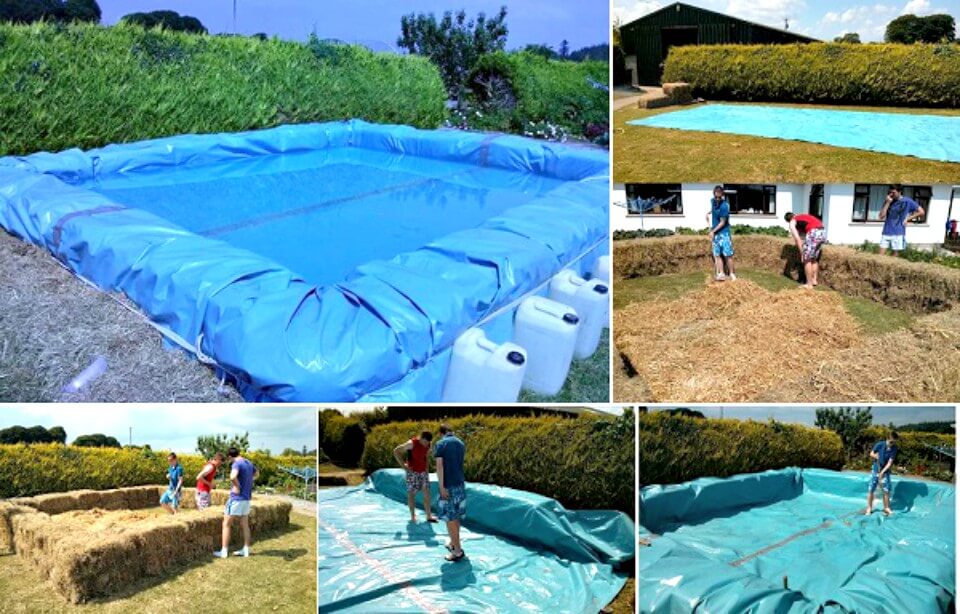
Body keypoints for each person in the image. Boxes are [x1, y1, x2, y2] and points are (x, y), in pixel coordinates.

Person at [213, 447, 259, 558]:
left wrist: (238, 486)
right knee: (245, 524)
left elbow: (232, 476)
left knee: (226, 524)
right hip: (246, 498)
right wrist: (249, 480)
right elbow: (257, 473)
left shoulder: (236, 464)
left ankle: (223, 552)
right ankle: (246, 550)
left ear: (230, 457)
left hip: (236, 499)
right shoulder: (248, 462)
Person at [434, 423, 467, 562]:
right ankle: (454, 543)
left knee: (449, 519)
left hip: (448, 485)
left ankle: (457, 551)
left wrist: (441, 487)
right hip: (460, 484)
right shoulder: (461, 443)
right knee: (456, 516)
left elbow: (439, 466)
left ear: (441, 433)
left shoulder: (441, 444)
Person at [393, 430, 437, 524]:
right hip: (412, 472)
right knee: (411, 495)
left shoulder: (429, 444)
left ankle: (428, 516)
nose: (426, 444)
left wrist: (427, 471)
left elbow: (426, 457)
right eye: (425, 442)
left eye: (428, 443)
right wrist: (404, 467)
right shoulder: (411, 443)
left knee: (427, 493)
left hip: (423, 472)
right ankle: (413, 516)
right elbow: (396, 451)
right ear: (421, 438)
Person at [878, 185, 924, 256]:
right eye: (890, 192)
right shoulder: (889, 200)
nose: (891, 194)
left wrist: (907, 219)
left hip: (898, 233)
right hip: (886, 232)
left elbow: (921, 212)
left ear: (900, 192)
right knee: (879, 257)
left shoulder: (907, 201)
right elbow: (881, 216)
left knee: (895, 258)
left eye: (893, 192)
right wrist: (887, 203)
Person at [784, 212, 826, 289]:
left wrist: (802, 253)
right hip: (822, 232)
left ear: (788, 221)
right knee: (814, 259)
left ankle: (809, 284)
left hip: (814, 232)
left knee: (807, 259)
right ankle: (814, 280)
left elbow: (797, 239)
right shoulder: (801, 217)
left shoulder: (792, 222)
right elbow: (804, 234)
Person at [706, 186, 736, 282]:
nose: (717, 199)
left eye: (719, 196)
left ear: (722, 195)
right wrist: (708, 213)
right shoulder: (712, 201)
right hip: (716, 234)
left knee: (728, 254)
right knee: (717, 254)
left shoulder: (724, 206)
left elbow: (722, 222)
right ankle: (721, 273)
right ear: (714, 194)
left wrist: (712, 231)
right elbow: (713, 209)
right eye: (716, 196)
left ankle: (732, 273)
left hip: (724, 233)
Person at [866, 431, 899, 517]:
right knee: (871, 489)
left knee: (886, 490)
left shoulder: (894, 448)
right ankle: (869, 508)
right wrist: (875, 456)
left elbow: (890, 462)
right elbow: (871, 453)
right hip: (875, 469)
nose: (892, 444)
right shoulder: (880, 444)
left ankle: (886, 507)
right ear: (887, 439)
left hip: (885, 471)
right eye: (891, 442)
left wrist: (882, 472)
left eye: (894, 442)